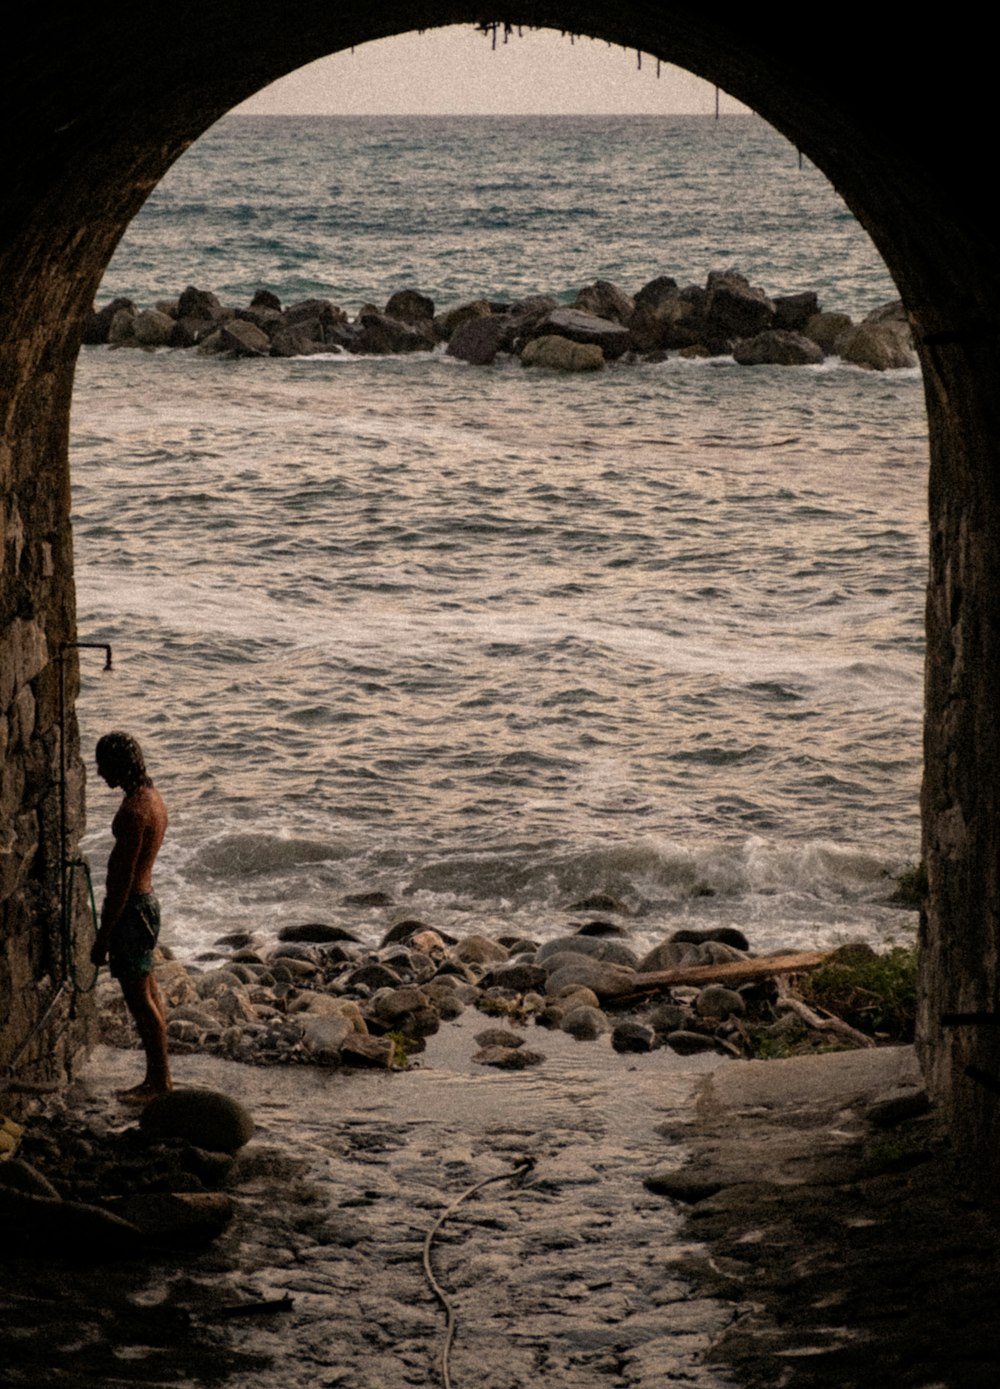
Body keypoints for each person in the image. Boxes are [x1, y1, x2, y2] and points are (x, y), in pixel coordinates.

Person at [90, 731, 172, 1105]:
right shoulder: (153, 799)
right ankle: (159, 1078)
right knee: (150, 995)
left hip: (132, 910)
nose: (99, 772)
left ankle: (158, 1082)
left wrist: (103, 936)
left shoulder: (132, 813)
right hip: (147, 904)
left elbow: (120, 883)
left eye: (103, 764)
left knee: (140, 1002)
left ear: (118, 766)